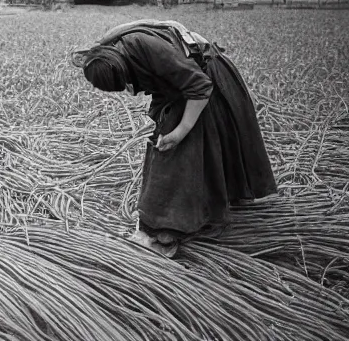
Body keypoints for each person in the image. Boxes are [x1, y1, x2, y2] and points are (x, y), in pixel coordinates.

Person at [73, 19, 277, 257]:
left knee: (176, 151)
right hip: (185, 84)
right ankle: (188, 213)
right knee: (177, 145)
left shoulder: (145, 47)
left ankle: (164, 232)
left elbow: (200, 86)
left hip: (205, 81)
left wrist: (181, 131)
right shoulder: (108, 49)